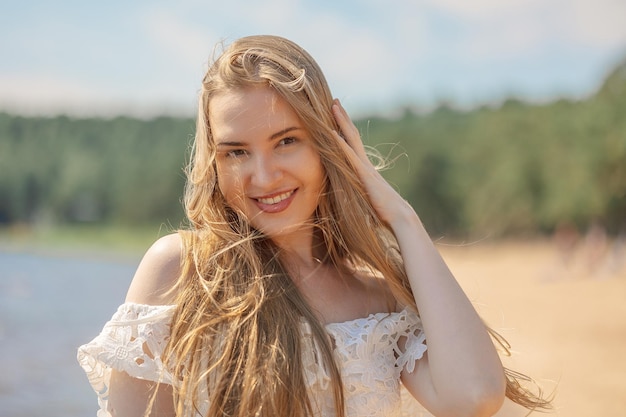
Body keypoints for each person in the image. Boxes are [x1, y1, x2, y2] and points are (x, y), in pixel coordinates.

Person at [78, 35, 551, 417]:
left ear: (330, 144)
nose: (262, 178)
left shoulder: (376, 301)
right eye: (236, 152)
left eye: (286, 141)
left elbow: (475, 396)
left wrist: (402, 219)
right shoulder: (183, 272)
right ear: (213, 162)